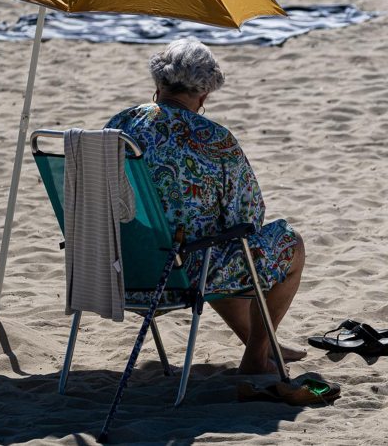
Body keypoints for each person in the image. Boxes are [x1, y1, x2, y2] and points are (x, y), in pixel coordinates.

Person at [106, 39, 305, 374]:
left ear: (158, 83)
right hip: (180, 273)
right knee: (285, 244)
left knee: (209, 246)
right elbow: (249, 217)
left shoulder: (121, 125)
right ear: (205, 94)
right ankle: (257, 358)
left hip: (113, 267)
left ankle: (267, 341)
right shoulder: (214, 139)